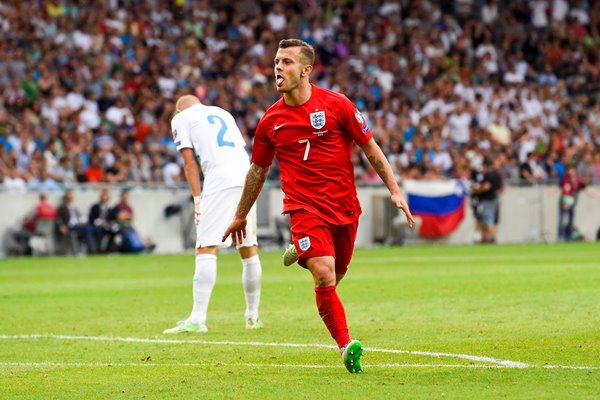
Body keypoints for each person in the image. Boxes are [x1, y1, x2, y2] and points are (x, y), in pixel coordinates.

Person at [222, 39, 414, 373]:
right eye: (276, 62)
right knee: (324, 274)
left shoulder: (337, 106)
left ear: (306, 70)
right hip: (303, 207)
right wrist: (240, 215)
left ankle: (303, 249)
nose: (278, 68)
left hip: (344, 207)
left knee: (335, 277)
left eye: (286, 62)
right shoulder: (271, 122)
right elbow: (257, 171)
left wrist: (394, 191)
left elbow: (370, 148)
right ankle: (346, 347)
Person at [163, 94, 263, 334]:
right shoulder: (222, 113)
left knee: (206, 246)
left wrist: (197, 199)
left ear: (180, 110)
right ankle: (252, 316)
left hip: (220, 181)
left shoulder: (181, 118)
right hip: (246, 176)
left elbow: (189, 164)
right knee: (248, 248)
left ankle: (197, 319)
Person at [471, 158, 503, 243]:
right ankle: (487, 238)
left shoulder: (489, 175)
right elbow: (501, 189)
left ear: (486, 166)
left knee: (488, 219)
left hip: (488, 199)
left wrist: (476, 190)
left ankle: (491, 238)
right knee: (491, 219)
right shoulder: (497, 174)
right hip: (494, 199)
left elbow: (486, 187)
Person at [88, 188, 116, 253]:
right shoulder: (95, 207)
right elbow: (91, 219)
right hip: (96, 226)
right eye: (103, 196)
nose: (104, 198)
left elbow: (111, 219)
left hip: (107, 226)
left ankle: (108, 250)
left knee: (114, 231)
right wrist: (100, 222)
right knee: (96, 230)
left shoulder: (110, 208)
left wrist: (110, 223)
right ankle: (97, 250)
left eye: (106, 196)